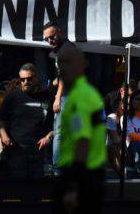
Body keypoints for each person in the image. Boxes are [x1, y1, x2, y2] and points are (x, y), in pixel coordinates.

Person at [54, 41, 105, 213]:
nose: (63, 67)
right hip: (88, 176)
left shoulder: (79, 98)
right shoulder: (85, 93)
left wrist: (73, 187)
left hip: (81, 178)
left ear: (82, 64)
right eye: (60, 62)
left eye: (68, 62)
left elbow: (82, 141)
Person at [0, 63, 54, 180]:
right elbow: (1, 119)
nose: (25, 82)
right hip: (17, 149)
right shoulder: (12, 97)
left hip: (39, 150)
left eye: (29, 79)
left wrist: (49, 136)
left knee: (37, 188)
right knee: (18, 188)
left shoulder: (48, 96)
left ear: (36, 78)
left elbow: (58, 122)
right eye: (22, 79)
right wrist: (4, 136)